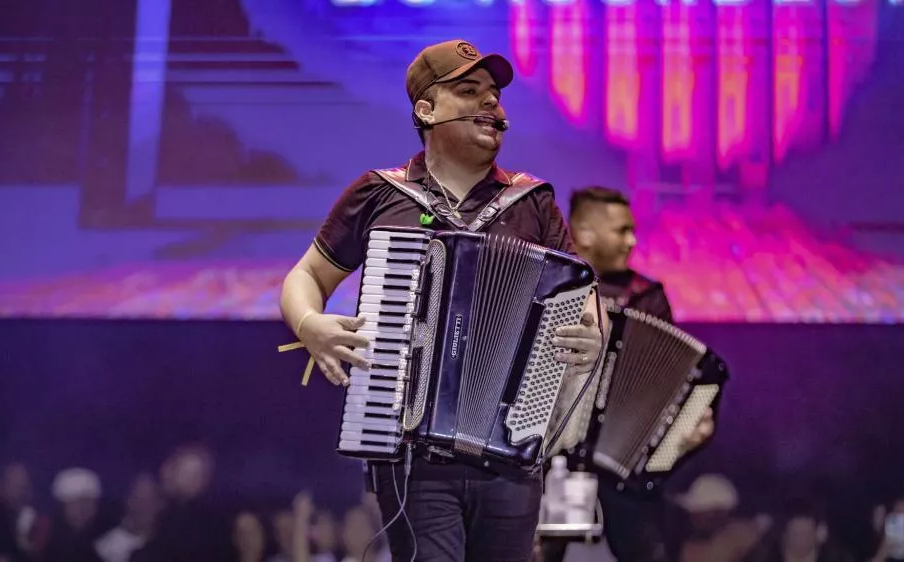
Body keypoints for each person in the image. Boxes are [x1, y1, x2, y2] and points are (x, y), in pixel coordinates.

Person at [279, 39, 604, 562]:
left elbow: (584, 301)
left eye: (495, 95)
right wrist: (309, 325)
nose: (491, 105)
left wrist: (591, 334)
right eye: (469, 91)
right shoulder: (381, 194)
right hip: (411, 455)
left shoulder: (533, 202)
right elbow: (306, 276)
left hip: (512, 453)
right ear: (425, 111)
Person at [539, 186, 717, 562]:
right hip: (549, 458)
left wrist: (685, 425)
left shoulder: (646, 296)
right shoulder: (551, 284)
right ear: (585, 233)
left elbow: (671, 379)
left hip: (621, 465)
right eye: (621, 231)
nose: (632, 241)